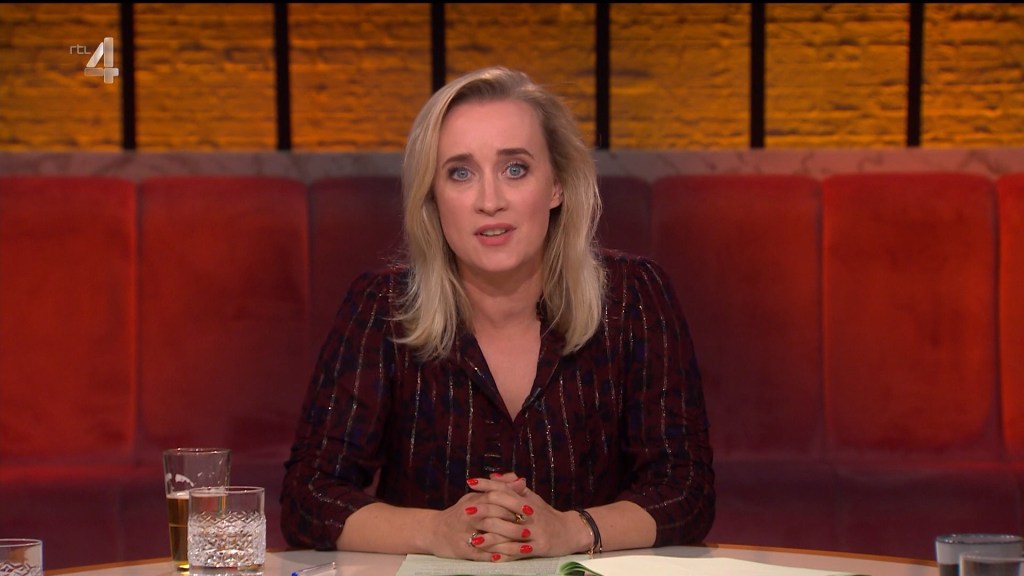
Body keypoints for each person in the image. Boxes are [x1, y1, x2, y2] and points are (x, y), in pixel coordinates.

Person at [280, 65, 715, 562]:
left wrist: (571, 530)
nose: (490, 201)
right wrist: (438, 532)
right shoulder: (382, 307)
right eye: (460, 173)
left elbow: (686, 489)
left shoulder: (634, 298)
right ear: (433, 197)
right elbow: (310, 496)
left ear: (557, 185)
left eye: (515, 169)